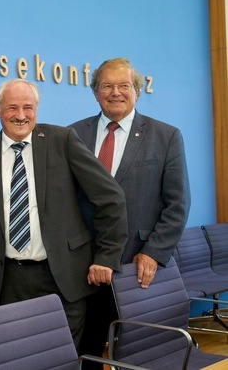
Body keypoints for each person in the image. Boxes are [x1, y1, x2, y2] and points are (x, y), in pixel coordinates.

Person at [0, 78, 128, 347]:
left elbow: (110, 197)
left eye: (28, 107)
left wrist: (107, 256)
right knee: (14, 356)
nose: (21, 115)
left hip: (62, 277)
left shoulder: (62, 140)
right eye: (12, 107)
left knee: (61, 357)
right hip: (5, 282)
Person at [70, 57, 191, 367]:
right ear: (95, 92)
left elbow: (178, 203)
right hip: (84, 267)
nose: (116, 92)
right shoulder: (72, 135)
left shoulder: (166, 136)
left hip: (136, 265)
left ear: (137, 91)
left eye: (124, 85)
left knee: (139, 353)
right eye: (107, 86)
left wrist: (153, 252)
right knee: (87, 348)